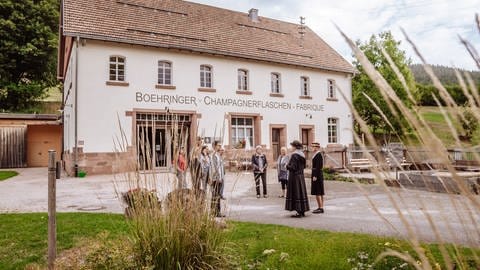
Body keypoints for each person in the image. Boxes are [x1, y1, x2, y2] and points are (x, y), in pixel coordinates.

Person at [285, 140, 309, 218]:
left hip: (294, 177)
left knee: (296, 192)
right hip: (301, 176)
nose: (291, 147)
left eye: (292, 146)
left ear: (295, 147)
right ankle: (302, 211)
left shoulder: (295, 155)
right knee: (301, 192)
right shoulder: (302, 154)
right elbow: (304, 166)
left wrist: (287, 166)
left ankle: (299, 211)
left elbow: (293, 167)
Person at [211, 142, 225, 217]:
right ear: (215, 146)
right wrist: (218, 177)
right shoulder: (214, 155)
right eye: (218, 145)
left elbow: (221, 168)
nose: (220, 147)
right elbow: (215, 168)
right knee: (215, 195)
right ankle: (215, 212)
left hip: (220, 178)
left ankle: (216, 211)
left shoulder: (218, 155)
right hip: (216, 179)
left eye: (220, 145)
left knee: (217, 195)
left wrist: (222, 177)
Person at [310, 142, 325, 214]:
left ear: (316, 147)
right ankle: (321, 206)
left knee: (318, 191)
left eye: (313, 147)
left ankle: (320, 207)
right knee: (320, 191)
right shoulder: (316, 154)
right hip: (317, 174)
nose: (312, 148)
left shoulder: (318, 155)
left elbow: (318, 166)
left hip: (317, 174)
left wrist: (315, 176)